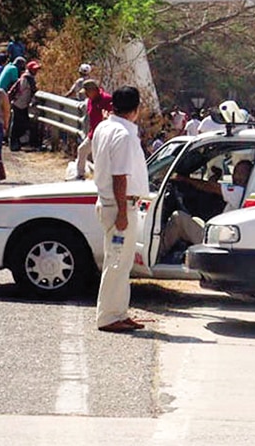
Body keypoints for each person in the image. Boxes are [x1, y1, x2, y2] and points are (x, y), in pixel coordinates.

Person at [92, 86, 149, 333]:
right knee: (117, 262)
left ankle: (118, 312)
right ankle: (108, 316)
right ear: (136, 109)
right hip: (120, 205)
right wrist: (123, 214)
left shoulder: (104, 127)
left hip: (111, 203)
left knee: (120, 262)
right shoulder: (124, 135)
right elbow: (120, 177)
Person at [158, 159, 253, 259]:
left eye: (242, 173)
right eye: (236, 172)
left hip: (218, 243)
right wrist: (215, 177)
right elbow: (212, 189)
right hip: (222, 237)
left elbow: (210, 187)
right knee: (195, 219)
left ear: (250, 176)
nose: (237, 177)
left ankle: (158, 252)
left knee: (178, 218)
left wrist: (183, 179)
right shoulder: (243, 191)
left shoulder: (240, 192)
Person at [75, 79, 114, 180]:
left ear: (94, 90)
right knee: (82, 150)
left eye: (88, 92)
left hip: (104, 134)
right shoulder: (90, 101)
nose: (86, 95)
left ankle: (101, 178)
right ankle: (80, 175)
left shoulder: (107, 99)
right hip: (93, 134)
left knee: (99, 158)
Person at [7, 60, 38, 151]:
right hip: (20, 104)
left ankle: (16, 143)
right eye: (34, 69)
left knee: (18, 124)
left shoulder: (24, 76)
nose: (36, 71)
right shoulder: (28, 78)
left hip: (19, 103)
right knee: (19, 124)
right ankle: (15, 144)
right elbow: (34, 90)